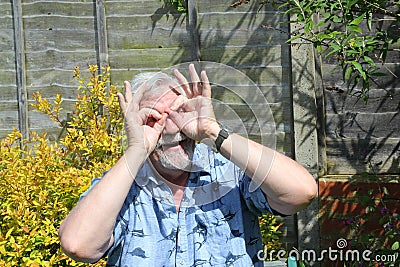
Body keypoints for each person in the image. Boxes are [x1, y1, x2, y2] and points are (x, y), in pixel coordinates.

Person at [59, 64, 317, 266]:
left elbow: (301, 192)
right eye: (153, 118)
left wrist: (212, 132)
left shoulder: (229, 173)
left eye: (179, 112)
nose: (171, 127)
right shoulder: (121, 187)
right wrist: (137, 149)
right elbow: (79, 245)